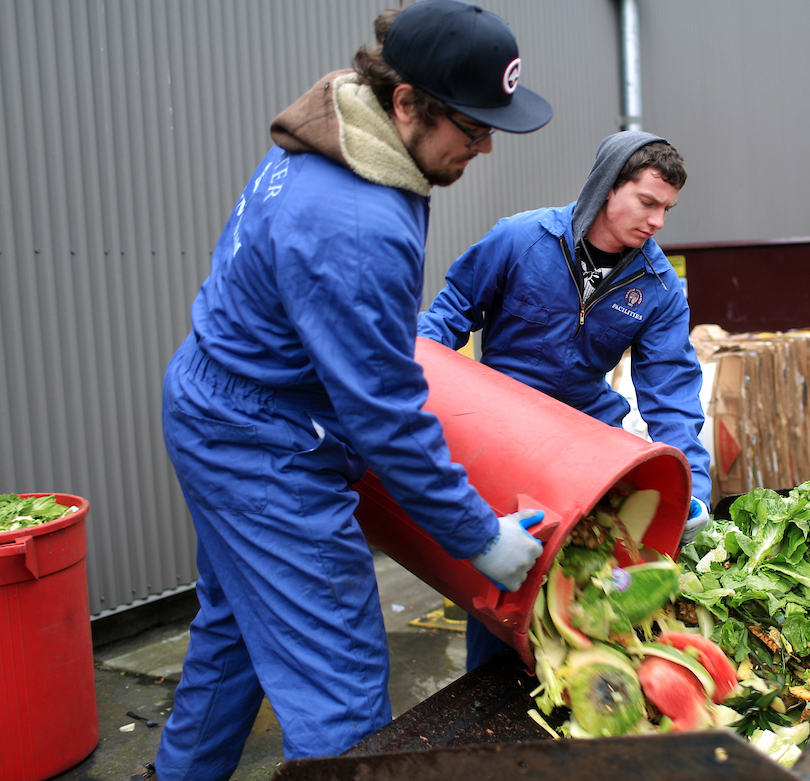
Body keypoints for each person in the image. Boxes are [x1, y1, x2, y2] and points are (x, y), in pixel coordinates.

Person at [147, 2, 553, 779]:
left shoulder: (345, 120)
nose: (485, 145)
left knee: (236, 629)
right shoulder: (354, 219)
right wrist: (477, 535)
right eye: (469, 128)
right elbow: (386, 413)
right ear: (407, 102)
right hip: (260, 442)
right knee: (340, 691)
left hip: (218, 398)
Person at [417, 131, 712, 669]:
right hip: (502, 427)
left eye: (667, 208)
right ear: (607, 188)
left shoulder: (658, 287)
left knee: (607, 556)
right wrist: (414, 381)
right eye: (647, 202)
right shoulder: (521, 239)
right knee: (506, 580)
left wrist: (694, 484)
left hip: (585, 431)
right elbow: (449, 313)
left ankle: (591, 669)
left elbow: (671, 392)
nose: (658, 222)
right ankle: (489, 689)